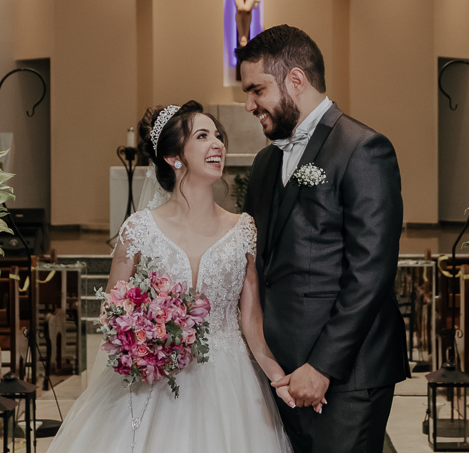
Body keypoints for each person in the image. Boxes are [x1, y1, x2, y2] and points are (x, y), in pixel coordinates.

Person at [48, 100, 295, 453]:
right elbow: (111, 313)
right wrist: (142, 340)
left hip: (231, 384)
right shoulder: (138, 230)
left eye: (218, 136)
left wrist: (277, 377)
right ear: (174, 157)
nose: (218, 144)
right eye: (203, 135)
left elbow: (251, 322)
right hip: (154, 383)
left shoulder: (244, 230)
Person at [239, 25, 410, 453]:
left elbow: (370, 273)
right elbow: (262, 265)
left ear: (295, 80)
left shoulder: (364, 149)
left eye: (256, 89)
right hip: (280, 376)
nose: (248, 105)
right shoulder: (264, 164)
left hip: (345, 375)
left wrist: (321, 366)